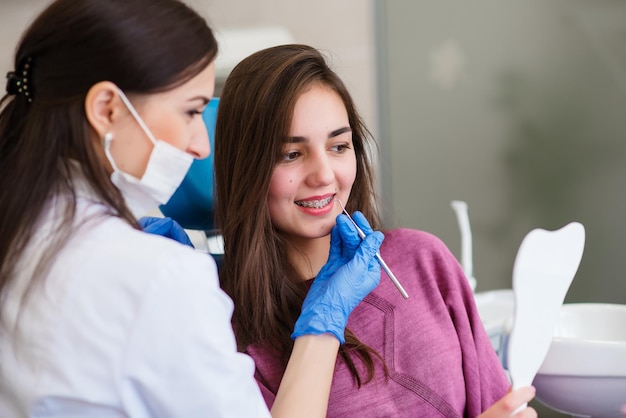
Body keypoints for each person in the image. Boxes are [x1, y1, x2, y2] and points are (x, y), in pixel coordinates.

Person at [0, 2, 385, 417]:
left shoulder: (19, 236)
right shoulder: (160, 276)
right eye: (191, 111)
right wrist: (322, 324)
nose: (202, 146)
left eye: (339, 145)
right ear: (106, 109)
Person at [214, 44, 538, 417]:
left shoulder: (422, 261)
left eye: (338, 146)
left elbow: (501, 407)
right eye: (291, 154)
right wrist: (321, 324)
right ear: (245, 167)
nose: (324, 175)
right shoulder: (222, 327)